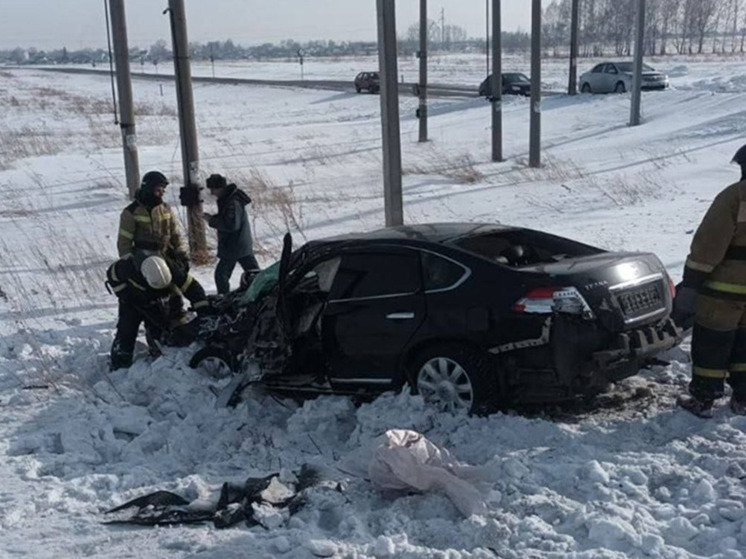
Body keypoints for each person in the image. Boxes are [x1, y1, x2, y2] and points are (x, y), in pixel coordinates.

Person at [676, 144, 746, 417]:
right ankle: (743, 398)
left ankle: (703, 399)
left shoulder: (734, 197)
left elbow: (709, 245)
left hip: (723, 292)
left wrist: (691, 282)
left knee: (711, 343)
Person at [106, 254, 209, 371]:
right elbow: (112, 276)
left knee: (161, 322)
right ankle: (120, 363)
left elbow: (191, 286)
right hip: (132, 300)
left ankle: (159, 347)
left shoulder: (171, 267)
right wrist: (125, 294)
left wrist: (203, 308)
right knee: (127, 329)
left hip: (156, 296)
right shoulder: (125, 268)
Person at [117, 170, 189, 271]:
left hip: (166, 257)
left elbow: (175, 234)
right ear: (148, 190)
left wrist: (181, 254)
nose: (161, 194)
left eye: (163, 190)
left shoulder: (165, 209)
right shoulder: (131, 212)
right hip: (144, 260)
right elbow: (124, 243)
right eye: (158, 190)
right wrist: (129, 263)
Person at [203, 174, 259, 294]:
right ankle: (262, 292)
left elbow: (231, 225)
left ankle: (224, 299)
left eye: (213, 189)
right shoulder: (230, 199)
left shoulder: (232, 202)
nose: (212, 193)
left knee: (221, 275)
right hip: (240, 244)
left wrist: (211, 220)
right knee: (254, 273)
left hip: (234, 245)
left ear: (220, 188)